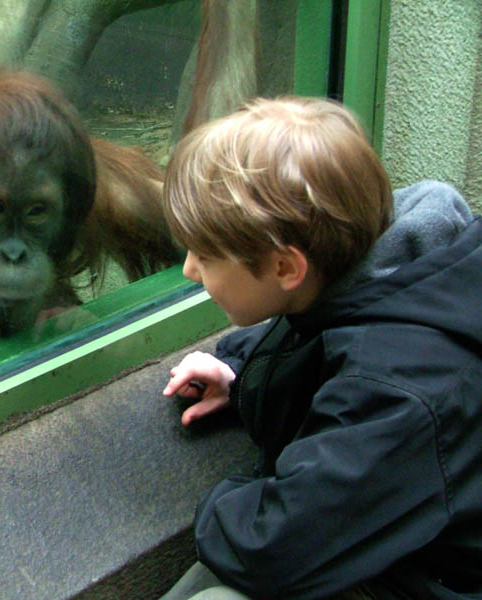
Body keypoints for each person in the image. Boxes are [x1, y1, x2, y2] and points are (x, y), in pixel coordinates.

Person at [158, 96, 482, 599]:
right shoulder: (385, 262)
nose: (189, 270)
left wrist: (217, 503)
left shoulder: (398, 394)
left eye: (204, 254)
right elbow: (320, 335)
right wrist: (242, 377)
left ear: (287, 268)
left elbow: (273, 548)